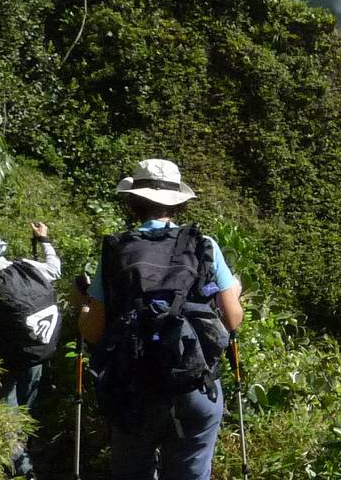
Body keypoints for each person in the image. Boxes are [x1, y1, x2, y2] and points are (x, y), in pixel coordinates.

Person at [80, 159, 245, 480]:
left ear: (133, 202)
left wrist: (83, 307)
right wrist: (234, 291)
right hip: (196, 383)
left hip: (135, 389)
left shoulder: (115, 250)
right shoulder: (203, 244)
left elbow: (94, 331)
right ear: (178, 202)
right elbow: (232, 319)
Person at [0, 222, 63, 477]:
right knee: (25, 409)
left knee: (7, 414)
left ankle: (22, 469)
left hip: (5, 360)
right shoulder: (26, 266)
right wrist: (44, 240)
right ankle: (24, 446)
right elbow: (55, 270)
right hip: (37, 351)